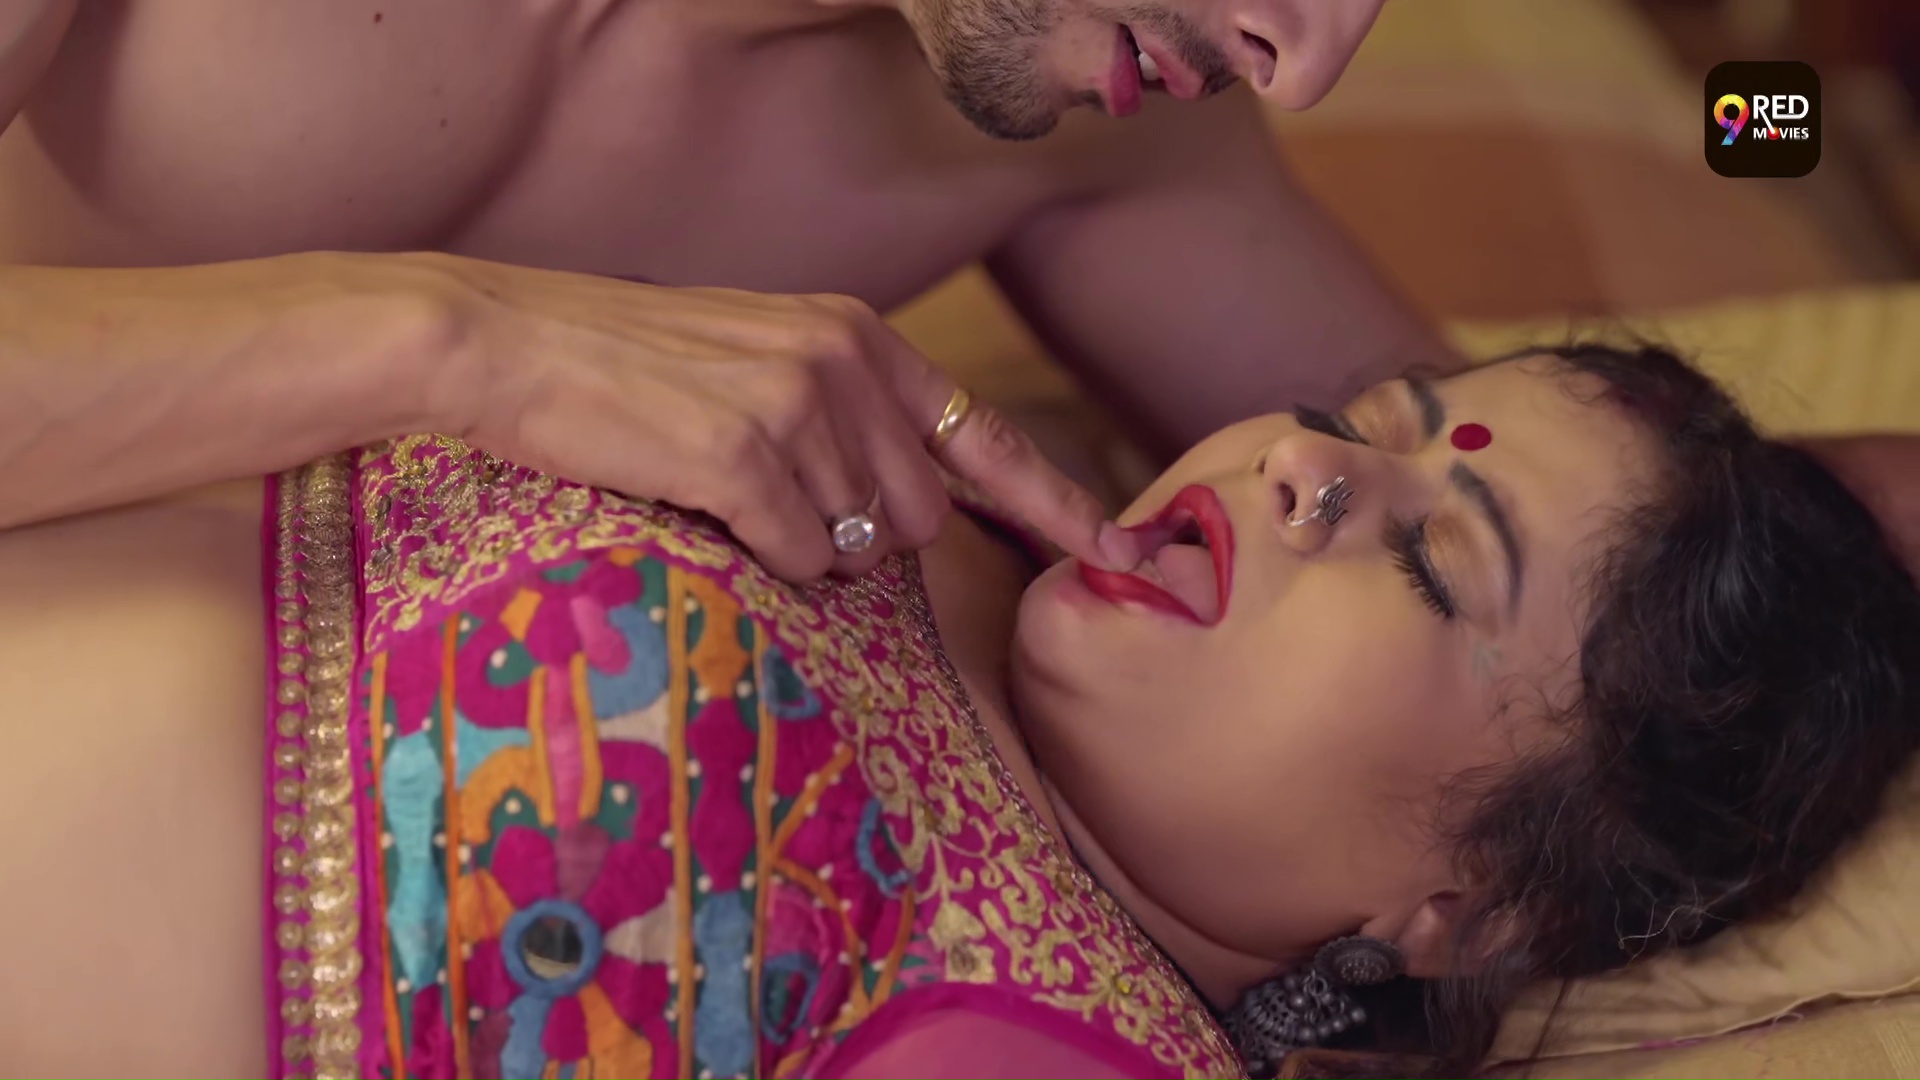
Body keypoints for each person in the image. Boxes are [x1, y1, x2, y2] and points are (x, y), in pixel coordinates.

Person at [4, 340, 1917, 1080]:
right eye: (1361, 421)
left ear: (1474, 909)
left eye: (1431, 561)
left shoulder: (1040, 1046)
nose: (1301, 468)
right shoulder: (931, 466)